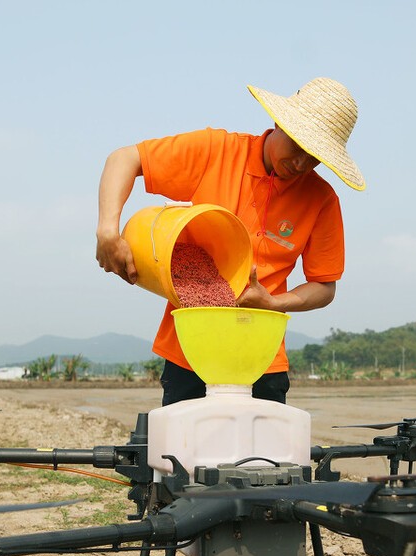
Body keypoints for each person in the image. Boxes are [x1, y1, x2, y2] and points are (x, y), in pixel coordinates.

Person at [95, 77, 364, 407]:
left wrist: (273, 303)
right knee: (181, 441)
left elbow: (324, 286)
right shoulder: (217, 152)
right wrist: (108, 231)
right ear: (279, 122)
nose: (301, 164)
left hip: (261, 358)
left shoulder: (321, 199)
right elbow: (124, 159)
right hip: (190, 351)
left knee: (266, 443)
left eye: (314, 157)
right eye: (298, 147)